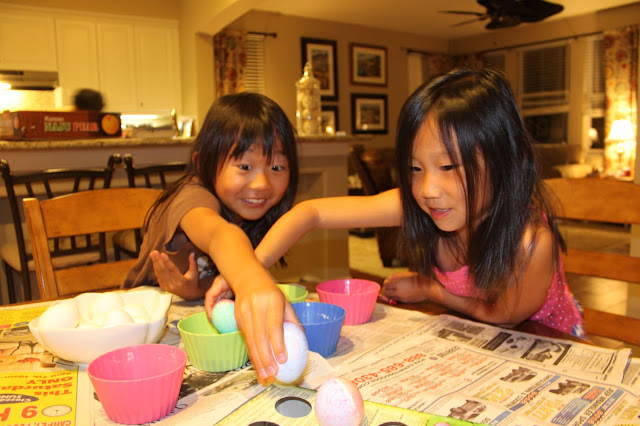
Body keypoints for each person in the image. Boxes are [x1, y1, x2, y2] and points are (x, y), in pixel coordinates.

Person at [209, 68, 584, 338]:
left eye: (448, 167)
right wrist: (246, 271)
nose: (428, 189)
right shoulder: (421, 205)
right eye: (415, 169)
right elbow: (311, 212)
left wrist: (430, 289)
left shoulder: (531, 243)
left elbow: (502, 316)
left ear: (504, 161)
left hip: (547, 344)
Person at [123, 92, 301, 385]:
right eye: (245, 167)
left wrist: (195, 289)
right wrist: (252, 280)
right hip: (141, 335)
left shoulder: (253, 213)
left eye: (276, 167)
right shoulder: (191, 198)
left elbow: (222, 280)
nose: (262, 184)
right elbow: (220, 235)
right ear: (203, 163)